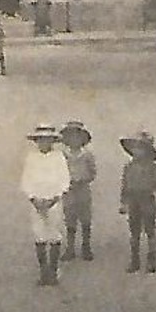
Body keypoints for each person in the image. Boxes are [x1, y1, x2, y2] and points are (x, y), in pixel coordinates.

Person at [22, 123, 70, 287]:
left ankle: (53, 270)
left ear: (53, 141)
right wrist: (33, 198)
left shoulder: (59, 157)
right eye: (41, 140)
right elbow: (26, 180)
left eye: (47, 140)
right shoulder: (31, 157)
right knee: (39, 235)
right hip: (37, 201)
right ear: (36, 141)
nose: (44, 143)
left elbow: (65, 180)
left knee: (54, 233)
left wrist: (54, 199)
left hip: (54, 201)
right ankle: (43, 271)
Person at [119, 129, 156, 275]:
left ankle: (151, 261)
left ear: (147, 151)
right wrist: (123, 203)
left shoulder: (152, 168)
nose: (137, 151)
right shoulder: (128, 167)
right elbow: (124, 186)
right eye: (135, 147)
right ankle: (135, 261)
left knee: (150, 231)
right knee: (134, 232)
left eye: (141, 148)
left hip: (147, 199)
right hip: (133, 199)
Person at [59, 120, 97, 262]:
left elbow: (93, 172)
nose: (74, 140)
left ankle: (86, 246)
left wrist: (84, 178)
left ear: (83, 139)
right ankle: (70, 248)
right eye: (71, 137)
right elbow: (59, 171)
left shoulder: (87, 155)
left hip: (82, 188)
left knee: (85, 218)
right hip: (68, 189)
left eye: (77, 137)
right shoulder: (63, 155)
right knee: (70, 218)